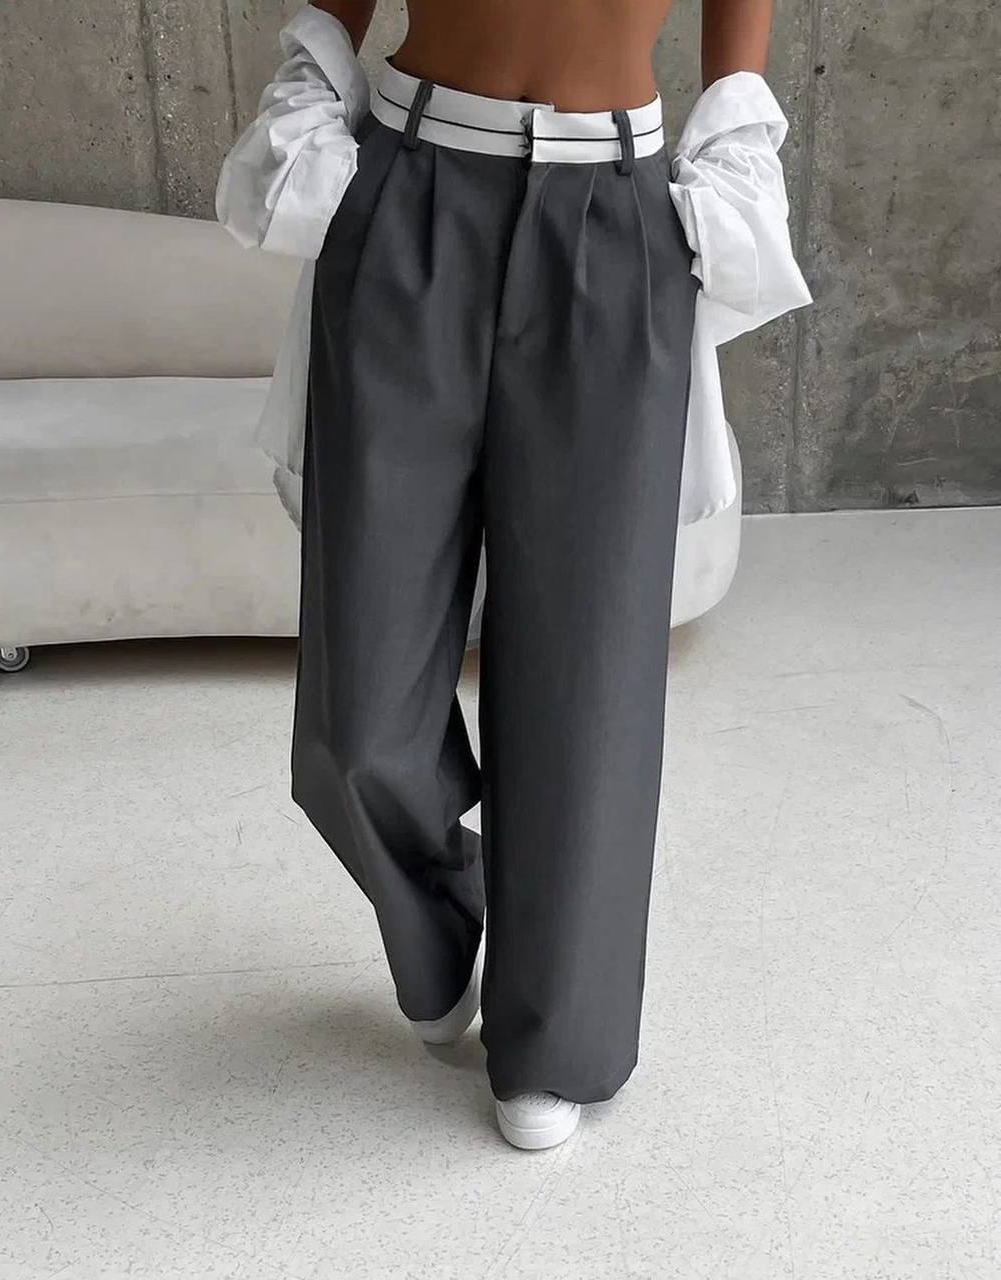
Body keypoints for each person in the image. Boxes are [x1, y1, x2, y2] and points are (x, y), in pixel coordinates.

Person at [216, 0, 810, 1150]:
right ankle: (446, 904)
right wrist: (311, 92)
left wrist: (734, 138)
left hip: (614, 211)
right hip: (412, 189)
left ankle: (556, 1032)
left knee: (589, 675)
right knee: (358, 708)